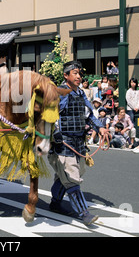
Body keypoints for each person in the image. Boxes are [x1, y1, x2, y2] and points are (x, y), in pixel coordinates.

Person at [48, 61, 109, 226]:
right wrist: (55, 133)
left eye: (80, 73)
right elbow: (50, 115)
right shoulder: (59, 93)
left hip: (79, 141)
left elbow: (89, 115)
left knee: (74, 173)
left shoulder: (81, 93)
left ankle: (55, 203)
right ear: (66, 75)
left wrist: (101, 128)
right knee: (71, 178)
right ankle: (84, 213)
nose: (79, 76)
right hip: (63, 142)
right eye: (74, 73)